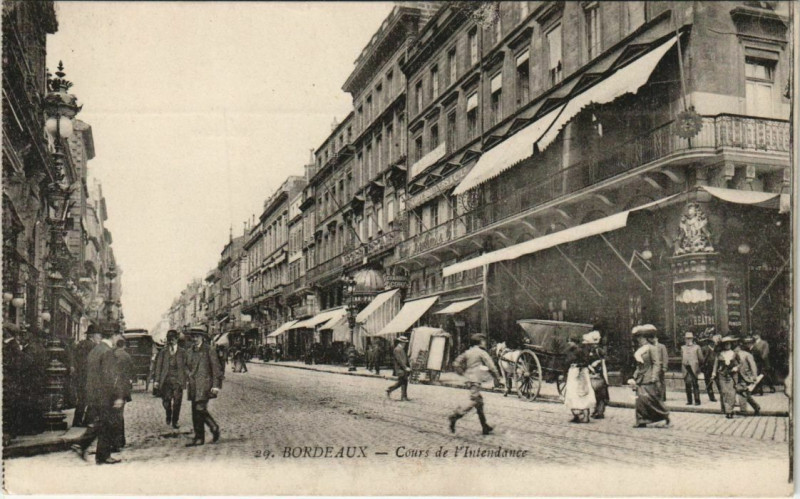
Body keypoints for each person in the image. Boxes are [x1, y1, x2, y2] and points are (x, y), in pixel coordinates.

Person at [72, 325, 126, 464]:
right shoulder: (107, 352)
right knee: (107, 423)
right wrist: (118, 396)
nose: (119, 339)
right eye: (118, 336)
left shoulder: (95, 350)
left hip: (93, 393)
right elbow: (111, 377)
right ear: (113, 335)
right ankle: (93, 450)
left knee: (102, 422)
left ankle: (93, 451)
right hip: (104, 394)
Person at [448, 334, 501, 435]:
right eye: (483, 341)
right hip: (476, 380)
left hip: (469, 380)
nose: (485, 343)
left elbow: (456, 363)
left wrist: (463, 373)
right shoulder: (482, 352)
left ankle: (485, 426)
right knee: (474, 401)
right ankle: (455, 416)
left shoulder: (468, 352)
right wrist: (497, 378)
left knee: (479, 403)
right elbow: (491, 366)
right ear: (480, 341)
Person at [185, 327, 223, 446]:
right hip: (193, 384)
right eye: (193, 337)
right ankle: (199, 436)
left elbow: (216, 368)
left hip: (205, 384)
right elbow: (186, 366)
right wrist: (188, 374)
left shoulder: (209, 350)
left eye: (197, 336)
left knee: (200, 408)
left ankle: (210, 429)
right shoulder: (189, 351)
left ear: (202, 337)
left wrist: (216, 385)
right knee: (195, 410)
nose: (195, 339)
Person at [629, 325, 670, 428]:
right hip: (640, 379)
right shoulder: (640, 350)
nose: (639, 340)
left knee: (652, 400)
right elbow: (639, 365)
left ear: (645, 338)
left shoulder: (652, 348)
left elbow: (656, 363)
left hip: (649, 378)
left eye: (641, 338)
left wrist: (654, 376)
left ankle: (664, 415)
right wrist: (634, 376)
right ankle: (641, 420)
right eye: (638, 338)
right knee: (640, 400)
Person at [153, 330, 187, 429]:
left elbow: (186, 366)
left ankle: (175, 421)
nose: (171, 341)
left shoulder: (182, 352)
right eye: (169, 339)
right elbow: (158, 367)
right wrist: (156, 380)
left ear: (177, 339)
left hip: (178, 381)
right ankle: (168, 413)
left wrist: (187, 377)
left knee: (177, 401)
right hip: (166, 381)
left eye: (173, 339)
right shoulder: (163, 352)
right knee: (166, 401)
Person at [72, 325, 102, 427]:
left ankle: (77, 420)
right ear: (92, 336)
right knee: (91, 398)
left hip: (80, 376)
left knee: (81, 399)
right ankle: (88, 420)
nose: (100, 337)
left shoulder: (80, 344)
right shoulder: (93, 347)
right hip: (89, 376)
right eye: (98, 335)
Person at [564, 334, 595, 423]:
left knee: (582, 393)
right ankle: (576, 415)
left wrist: (578, 366)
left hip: (580, 374)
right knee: (572, 394)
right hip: (572, 374)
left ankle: (586, 416)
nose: (569, 343)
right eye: (568, 341)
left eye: (571, 341)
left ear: (575, 342)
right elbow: (566, 362)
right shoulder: (569, 351)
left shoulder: (580, 351)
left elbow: (585, 362)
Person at [111, 337, 133, 451]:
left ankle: (117, 440)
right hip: (123, 389)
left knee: (114, 415)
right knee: (120, 415)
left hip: (113, 388)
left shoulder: (112, 354)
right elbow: (131, 371)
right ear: (124, 345)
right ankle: (120, 440)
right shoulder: (127, 356)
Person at [711, 336, 740, 419]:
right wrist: (713, 373)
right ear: (723, 345)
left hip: (732, 375)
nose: (728, 345)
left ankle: (730, 410)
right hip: (722, 375)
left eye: (729, 343)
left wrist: (736, 368)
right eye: (726, 344)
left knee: (731, 393)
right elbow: (715, 365)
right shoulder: (719, 354)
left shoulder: (734, 354)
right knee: (724, 392)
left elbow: (740, 363)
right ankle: (728, 411)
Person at [585, 331, 609, 419]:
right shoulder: (592, 350)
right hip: (594, 373)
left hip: (600, 373)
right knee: (596, 393)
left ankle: (600, 411)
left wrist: (598, 362)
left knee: (601, 394)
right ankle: (596, 410)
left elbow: (605, 359)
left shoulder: (599, 350)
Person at [736, 337, 761, 416]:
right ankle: (756, 407)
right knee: (746, 393)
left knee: (742, 392)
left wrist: (754, 376)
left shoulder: (747, 355)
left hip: (746, 376)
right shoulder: (733, 354)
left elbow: (753, 366)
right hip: (737, 376)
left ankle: (743, 411)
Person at [681, 332, 703, 406]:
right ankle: (689, 400)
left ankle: (697, 400)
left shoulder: (697, 347)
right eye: (687, 338)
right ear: (685, 339)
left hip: (694, 368)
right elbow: (682, 357)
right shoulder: (682, 347)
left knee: (695, 384)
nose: (688, 340)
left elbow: (701, 359)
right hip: (686, 368)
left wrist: (698, 367)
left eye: (690, 338)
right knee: (687, 385)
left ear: (693, 339)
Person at [386, 337, 411, 401]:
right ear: (401, 342)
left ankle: (403, 396)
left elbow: (405, 359)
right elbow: (399, 360)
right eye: (404, 343)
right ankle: (391, 390)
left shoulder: (401, 349)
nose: (405, 344)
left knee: (404, 382)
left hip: (403, 368)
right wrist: (405, 367)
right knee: (402, 382)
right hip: (400, 368)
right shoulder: (397, 349)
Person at [699, 337, 717, 402]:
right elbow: (701, 359)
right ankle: (712, 397)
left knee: (718, 383)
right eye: (713, 342)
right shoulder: (704, 349)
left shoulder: (716, 349)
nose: (714, 343)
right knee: (709, 383)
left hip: (716, 368)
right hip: (707, 369)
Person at [652, 334, 669, 401]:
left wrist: (665, 367)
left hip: (660, 366)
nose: (653, 340)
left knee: (661, 382)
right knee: (655, 381)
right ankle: (656, 396)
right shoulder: (651, 346)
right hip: (654, 366)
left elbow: (665, 357)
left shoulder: (662, 346)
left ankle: (662, 396)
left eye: (654, 338)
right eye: (652, 338)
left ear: (657, 338)